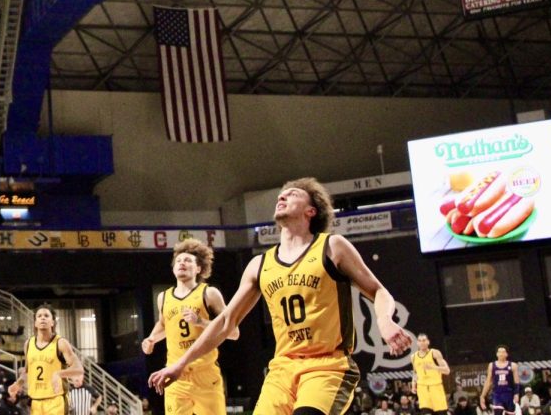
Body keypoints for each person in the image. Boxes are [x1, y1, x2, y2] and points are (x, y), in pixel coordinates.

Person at [149, 178, 413, 415]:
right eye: (281, 195)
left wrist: (385, 321)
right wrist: (180, 364)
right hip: (282, 369)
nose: (282, 197)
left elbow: (378, 290)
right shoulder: (259, 265)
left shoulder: (332, 247)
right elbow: (226, 322)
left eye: (293, 194)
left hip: (327, 366)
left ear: (311, 211)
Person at [141, 239, 237, 415]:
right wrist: (152, 338)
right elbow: (163, 324)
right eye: (178, 261)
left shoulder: (209, 293)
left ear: (199, 268)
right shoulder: (163, 297)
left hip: (205, 374)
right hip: (176, 375)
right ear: (173, 268)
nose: (181, 263)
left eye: (187, 260)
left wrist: (201, 322)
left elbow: (233, 332)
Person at [8, 306, 84, 415]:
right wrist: (18, 384)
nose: (43, 318)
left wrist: (59, 374)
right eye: (39, 316)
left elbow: (79, 369)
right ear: (35, 323)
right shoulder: (28, 344)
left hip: (56, 400)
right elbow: (28, 372)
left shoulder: (60, 343)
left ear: (52, 322)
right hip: (36, 402)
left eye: (46, 316)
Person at [410, 334, 449, 415]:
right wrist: (413, 384)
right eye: (420, 341)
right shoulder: (413, 357)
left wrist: (433, 367)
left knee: (441, 413)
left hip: (436, 387)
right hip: (422, 388)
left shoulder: (435, 353)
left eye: (424, 340)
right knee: (426, 412)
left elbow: (447, 371)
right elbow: (415, 372)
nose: (422, 343)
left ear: (428, 342)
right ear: (417, 343)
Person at [480, 345, 519, 415]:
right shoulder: (492, 365)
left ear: (507, 354)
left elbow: (516, 381)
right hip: (497, 394)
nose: (501, 354)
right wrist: (482, 396)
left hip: (509, 394)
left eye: (503, 352)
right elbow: (488, 381)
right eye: (499, 352)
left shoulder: (513, 365)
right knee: (498, 412)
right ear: (496, 354)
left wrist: (516, 393)